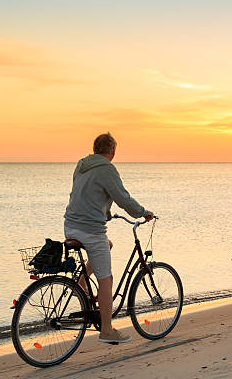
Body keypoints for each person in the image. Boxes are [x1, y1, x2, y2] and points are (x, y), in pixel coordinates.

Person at [64, 133, 153, 343]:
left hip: (71, 225)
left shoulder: (81, 165)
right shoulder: (107, 168)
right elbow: (122, 197)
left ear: (95, 149)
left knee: (108, 244)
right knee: (106, 280)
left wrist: (105, 214)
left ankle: (82, 280)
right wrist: (143, 213)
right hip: (90, 230)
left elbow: (86, 194)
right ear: (113, 151)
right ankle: (107, 330)